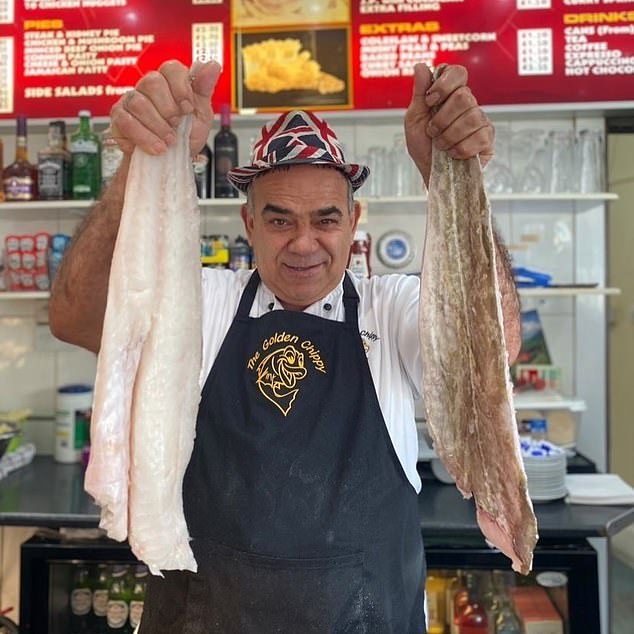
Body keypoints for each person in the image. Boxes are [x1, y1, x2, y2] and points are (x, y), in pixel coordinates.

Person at [49, 59, 520, 633]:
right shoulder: (201, 302)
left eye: (325, 219)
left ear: (353, 221)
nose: (304, 243)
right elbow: (76, 317)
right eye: (279, 220)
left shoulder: (389, 307)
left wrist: (452, 171)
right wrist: (142, 162)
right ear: (248, 223)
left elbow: (493, 348)